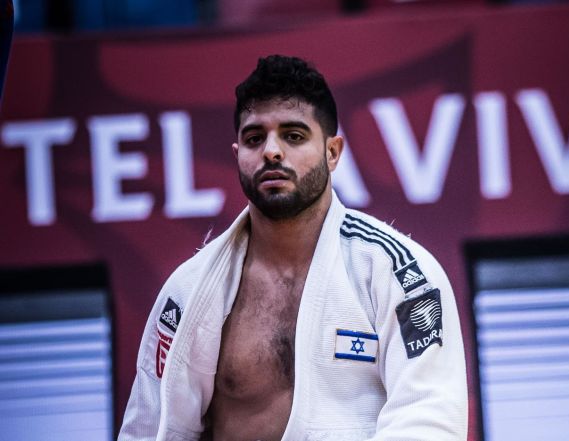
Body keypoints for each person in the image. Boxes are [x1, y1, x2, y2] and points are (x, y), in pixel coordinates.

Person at [118, 55, 467, 441]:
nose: (271, 151)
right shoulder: (189, 291)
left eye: (294, 136)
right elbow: (148, 429)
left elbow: (429, 418)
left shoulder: (399, 273)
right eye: (254, 138)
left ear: (333, 152)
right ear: (237, 155)